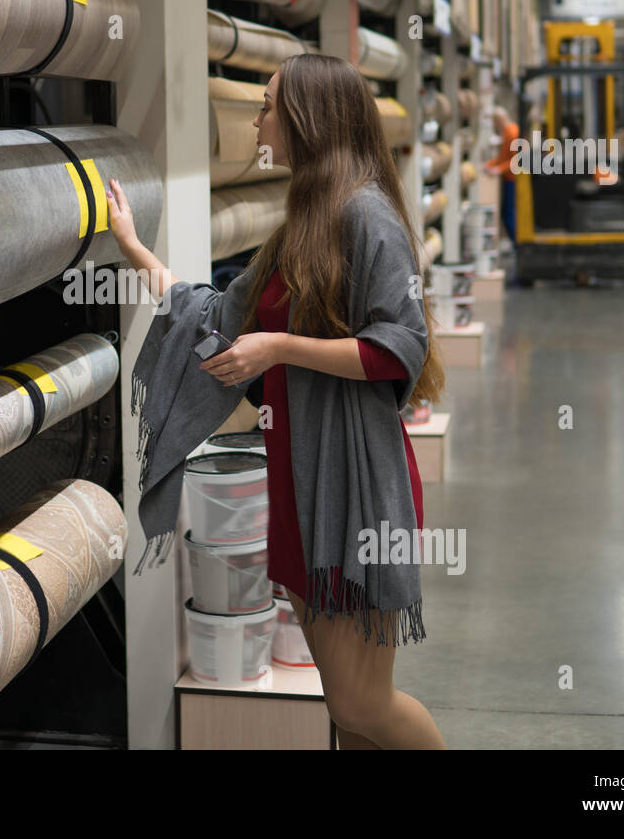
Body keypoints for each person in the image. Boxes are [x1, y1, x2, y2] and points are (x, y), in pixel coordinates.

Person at [107, 54, 447, 749]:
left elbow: (396, 348)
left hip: (354, 487)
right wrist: (135, 250)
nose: (258, 118)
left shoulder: (366, 217)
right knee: (342, 706)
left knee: (363, 704)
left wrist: (280, 348)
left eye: (266, 105)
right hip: (303, 488)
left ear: (305, 119)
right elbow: (213, 317)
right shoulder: (302, 225)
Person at [484, 105, 520, 248]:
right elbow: (503, 157)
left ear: (500, 120)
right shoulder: (507, 132)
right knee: (506, 214)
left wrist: (498, 169)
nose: (494, 125)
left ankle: (517, 245)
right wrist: (490, 164)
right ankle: (516, 243)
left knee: (508, 214)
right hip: (508, 178)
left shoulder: (512, 133)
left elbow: (517, 160)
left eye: (495, 122)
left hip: (513, 179)